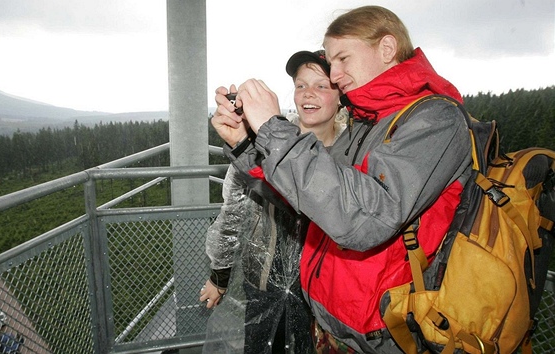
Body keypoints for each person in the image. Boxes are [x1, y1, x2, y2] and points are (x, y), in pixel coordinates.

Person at [210, 6, 473, 354]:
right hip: (341, 323)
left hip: (391, 331)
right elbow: (311, 199)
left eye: (342, 59)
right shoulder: (370, 123)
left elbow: (364, 218)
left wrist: (273, 130)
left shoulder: (435, 119)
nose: (335, 73)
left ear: (386, 48)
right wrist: (245, 144)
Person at [201, 50, 348, 353]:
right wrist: (220, 276)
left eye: (321, 86)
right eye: (300, 85)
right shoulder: (265, 142)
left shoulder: (353, 153)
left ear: (341, 95)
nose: (308, 94)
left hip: (324, 290)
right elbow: (232, 212)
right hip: (263, 281)